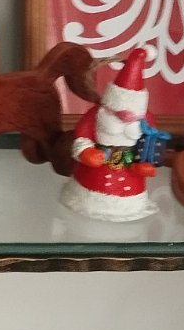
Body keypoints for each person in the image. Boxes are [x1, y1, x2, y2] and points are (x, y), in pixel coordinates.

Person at [59, 48, 160, 222]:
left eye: (131, 116)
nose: (124, 119)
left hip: (131, 184)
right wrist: (86, 152)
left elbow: (149, 143)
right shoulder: (97, 114)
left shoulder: (146, 119)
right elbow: (82, 137)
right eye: (117, 114)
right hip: (91, 179)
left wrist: (144, 163)